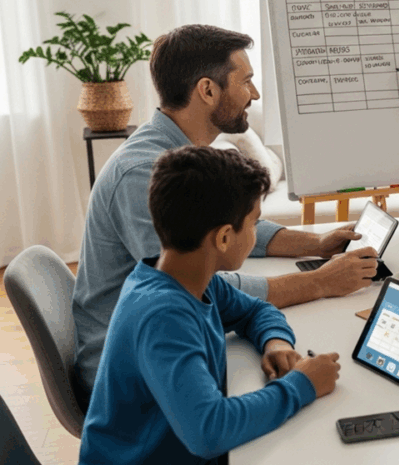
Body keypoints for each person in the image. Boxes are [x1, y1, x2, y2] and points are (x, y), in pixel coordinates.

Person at [73, 24, 377, 395]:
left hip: (167, 345)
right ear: (207, 90)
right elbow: (201, 288)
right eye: (245, 81)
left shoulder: (184, 156)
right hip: (128, 373)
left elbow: (236, 221)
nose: (255, 93)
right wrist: (320, 282)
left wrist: (317, 245)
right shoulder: (143, 172)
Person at [79, 146, 341, 464]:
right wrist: (303, 384)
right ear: (224, 238)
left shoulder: (188, 276)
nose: (256, 233)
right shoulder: (164, 316)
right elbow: (209, 431)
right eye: (254, 223)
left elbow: (256, 310)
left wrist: (276, 341)